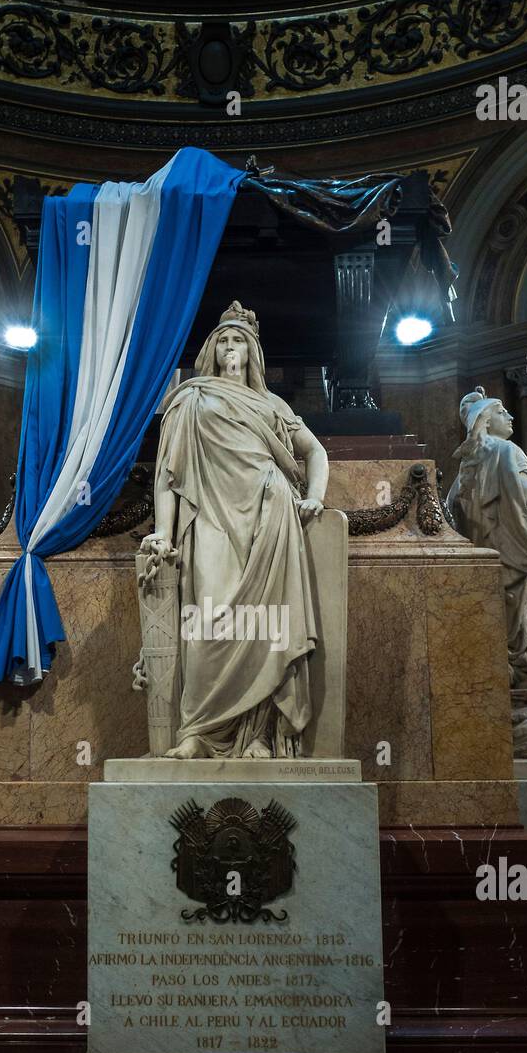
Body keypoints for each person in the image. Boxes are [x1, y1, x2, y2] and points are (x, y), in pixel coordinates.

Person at [142, 301, 328, 759]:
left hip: (269, 517)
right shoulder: (191, 397)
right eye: (222, 340)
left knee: (267, 630)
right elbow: (168, 473)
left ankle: (260, 737)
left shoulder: (271, 404)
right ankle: (197, 733)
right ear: (211, 350)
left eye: (238, 341)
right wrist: (164, 532)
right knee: (207, 623)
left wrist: (316, 496)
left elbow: (315, 452)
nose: (230, 347)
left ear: (252, 353)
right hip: (210, 518)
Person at [446, 386, 527, 750]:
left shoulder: (463, 474)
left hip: (496, 579)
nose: (512, 417)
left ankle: (515, 737)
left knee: (515, 654)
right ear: (487, 421)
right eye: (503, 412)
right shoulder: (506, 452)